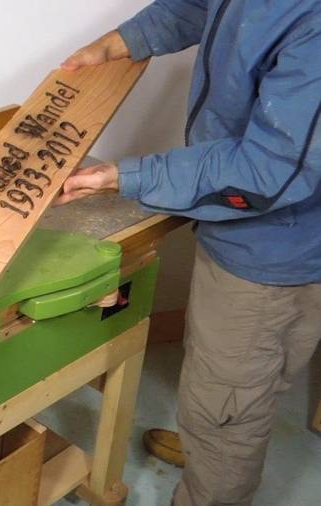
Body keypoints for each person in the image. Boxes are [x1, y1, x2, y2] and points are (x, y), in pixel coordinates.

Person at [54, 1, 321, 505]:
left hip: (275, 249)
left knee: (229, 404)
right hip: (246, 232)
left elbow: (268, 172)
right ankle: (214, 444)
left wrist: (130, 177)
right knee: (229, 390)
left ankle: (216, 464)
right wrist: (124, 40)